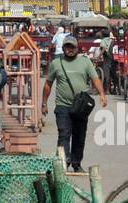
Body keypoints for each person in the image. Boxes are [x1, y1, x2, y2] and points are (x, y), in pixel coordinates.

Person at [41, 36, 107, 171]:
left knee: (79, 135)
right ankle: (64, 163)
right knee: (64, 133)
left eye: (72, 47)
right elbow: (48, 84)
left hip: (80, 107)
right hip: (62, 105)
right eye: (67, 47)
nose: (70, 50)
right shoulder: (56, 63)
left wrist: (102, 94)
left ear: (77, 48)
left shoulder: (85, 62)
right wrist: (44, 103)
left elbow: (95, 79)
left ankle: (76, 163)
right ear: (63, 48)